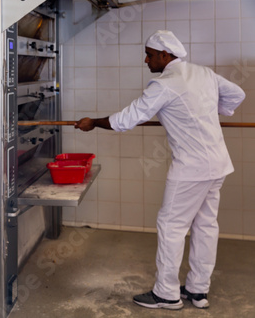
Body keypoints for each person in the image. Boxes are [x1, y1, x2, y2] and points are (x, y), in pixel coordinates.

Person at [75, 30, 245, 310]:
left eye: (149, 54)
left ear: (165, 55)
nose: (146, 59)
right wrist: (213, 111)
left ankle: (166, 294)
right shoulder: (203, 73)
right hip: (218, 165)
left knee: (171, 226)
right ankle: (197, 290)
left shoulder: (164, 84)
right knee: (205, 226)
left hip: (191, 169)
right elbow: (237, 94)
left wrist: (92, 122)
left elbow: (127, 119)